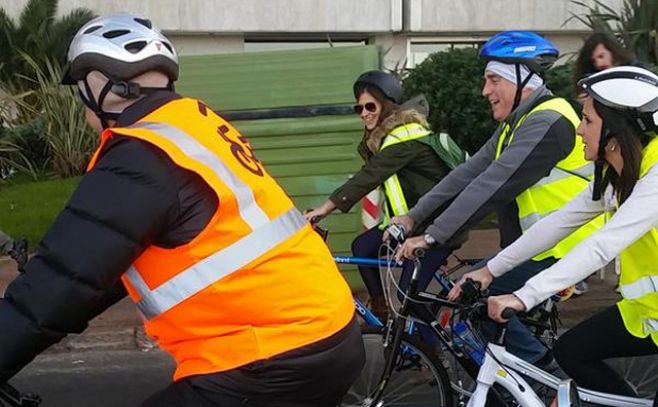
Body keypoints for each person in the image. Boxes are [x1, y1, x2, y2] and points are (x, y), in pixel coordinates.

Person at [0, 13, 364, 407]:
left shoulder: (141, 154)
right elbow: (95, 270)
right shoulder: (193, 125)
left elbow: (58, 285)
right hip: (326, 333)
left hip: (269, 357)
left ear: (98, 85)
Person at [394, 31, 601, 367]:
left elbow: (492, 184)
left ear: (524, 79)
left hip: (563, 248)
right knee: (485, 311)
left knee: (475, 298)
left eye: (493, 80)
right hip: (535, 246)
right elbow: (467, 173)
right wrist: (413, 217)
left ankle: (549, 384)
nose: (485, 91)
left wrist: (433, 235)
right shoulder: (518, 123)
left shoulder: (549, 121)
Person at [467, 65, 658, 397]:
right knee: (571, 353)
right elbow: (557, 224)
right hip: (647, 313)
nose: (580, 131)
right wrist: (489, 270)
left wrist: (523, 296)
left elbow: (602, 245)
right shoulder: (616, 175)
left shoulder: (654, 176)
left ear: (615, 132)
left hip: (650, 313)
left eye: (587, 121)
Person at [304, 70, 467, 319]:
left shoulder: (404, 137)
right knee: (362, 246)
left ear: (387, 105)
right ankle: (379, 308)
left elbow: (369, 177)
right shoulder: (385, 139)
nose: (364, 113)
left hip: (436, 228)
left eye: (370, 106)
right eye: (359, 109)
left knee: (408, 296)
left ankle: (434, 351)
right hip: (411, 224)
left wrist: (323, 209)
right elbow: (371, 174)